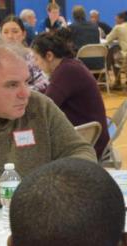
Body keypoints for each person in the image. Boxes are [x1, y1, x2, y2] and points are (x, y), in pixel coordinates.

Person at [0, 43, 96, 207]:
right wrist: (13, 191)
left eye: (26, 82)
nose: (25, 93)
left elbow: (80, 150)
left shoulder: (40, 106)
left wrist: (58, 182)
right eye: (12, 85)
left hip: (42, 215)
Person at [32, 29, 109, 159]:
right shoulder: (69, 65)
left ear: (49, 56)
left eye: (36, 58)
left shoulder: (66, 71)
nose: (35, 63)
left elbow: (45, 107)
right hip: (91, 137)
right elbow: (50, 91)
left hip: (87, 145)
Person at [0, 15, 49, 93]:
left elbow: (44, 82)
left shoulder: (31, 56)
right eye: (5, 32)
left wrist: (19, 92)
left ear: (23, 34)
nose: (10, 36)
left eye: (15, 31)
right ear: (1, 35)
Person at [103, 10, 127, 89]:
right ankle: (114, 80)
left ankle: (114, 80)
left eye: (116, 20)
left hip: (126, 56)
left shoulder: (118, 28)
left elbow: (108, 39)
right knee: (115, 50)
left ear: (121, 19)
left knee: (112, 53)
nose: (115, 21)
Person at [68, 5, 103, 70]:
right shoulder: (95, 26)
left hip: (80, 64)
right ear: (85, 14)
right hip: (98, 63)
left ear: (73, 16)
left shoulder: (71, 28)